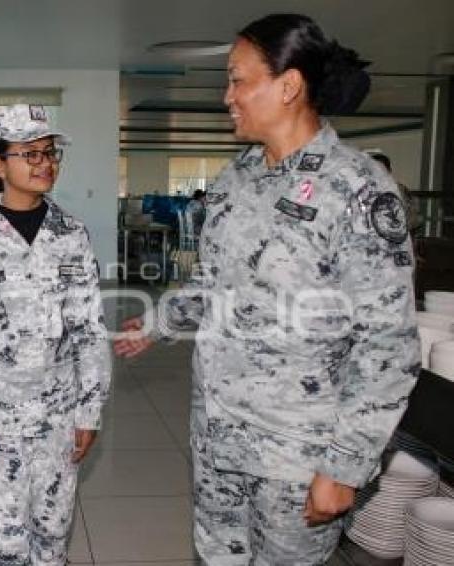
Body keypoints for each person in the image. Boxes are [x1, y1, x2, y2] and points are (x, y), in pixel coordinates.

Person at [114, 14, 419, 565]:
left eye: (237, 79)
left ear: (288, 85)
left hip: (298, 451)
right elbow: (214, 282)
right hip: (217, 435)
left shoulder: (356, 189)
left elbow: (388, 346)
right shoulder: (238, 177)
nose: (226, 96)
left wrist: (344, 466)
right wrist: (157, 325)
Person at [0, 104, 110, 565]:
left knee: (54, 533)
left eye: (50, 153)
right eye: (29, 153)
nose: (45, 163)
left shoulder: (72, 234)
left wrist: (89, 412)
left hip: (59, 414)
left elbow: (90, 333)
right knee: (7, 541)